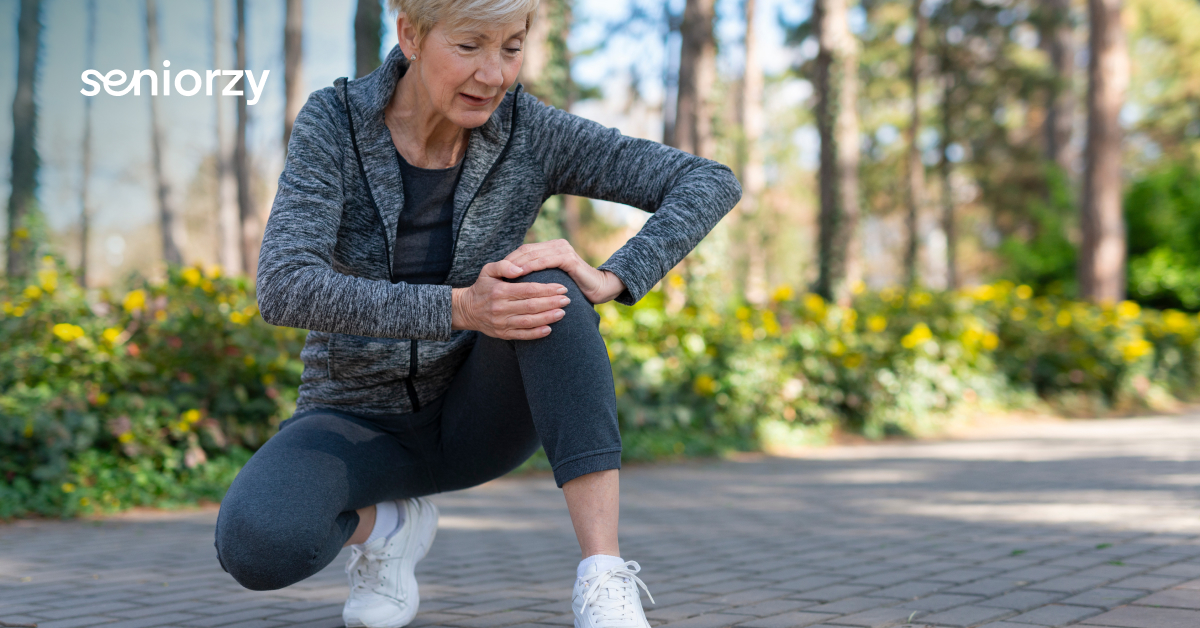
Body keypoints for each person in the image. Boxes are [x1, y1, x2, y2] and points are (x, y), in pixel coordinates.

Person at [212, 0, 741, 625]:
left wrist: (616, 276)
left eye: (511, 48)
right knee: (256, 545)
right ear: (411, 34)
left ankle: (604, 576)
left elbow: (709, 180)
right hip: (353, 420)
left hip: (479, 422)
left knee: (546, 285)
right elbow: (284, 285)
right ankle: (391, 529)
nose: (493, 75)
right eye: (469, 47)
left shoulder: (528, 131)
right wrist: (461, 306)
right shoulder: (336, 123)